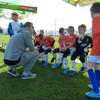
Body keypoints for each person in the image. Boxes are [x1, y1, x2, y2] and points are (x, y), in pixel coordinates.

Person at [85, 3, 100, 98]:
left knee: (89, 66)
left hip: (97, 47)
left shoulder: (96, 19)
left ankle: (96, 91)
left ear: (92, 12)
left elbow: (97, 32)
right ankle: (98, 86)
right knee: (97, 66)